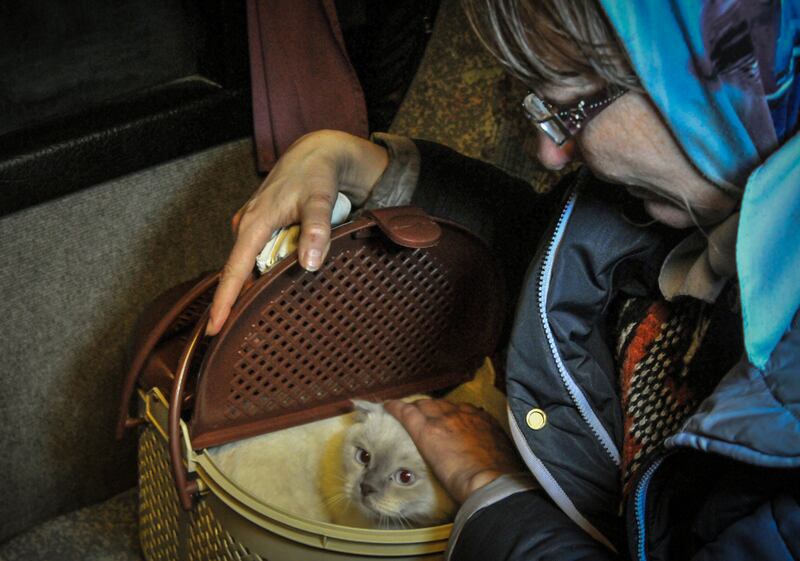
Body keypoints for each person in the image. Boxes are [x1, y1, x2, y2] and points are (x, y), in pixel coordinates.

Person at [208, 1, 800, 559]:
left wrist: (489, 487)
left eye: (571, 105)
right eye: (537, 106)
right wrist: (354, 163)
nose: (549, 152)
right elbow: (554, 265)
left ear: (723, 69)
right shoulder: (670, 208)